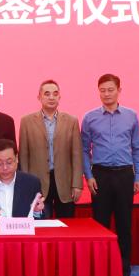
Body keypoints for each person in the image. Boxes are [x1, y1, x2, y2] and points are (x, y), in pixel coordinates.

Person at [81, 73, 139, 276]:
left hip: (125, 175)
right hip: (100, 176)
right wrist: (89, 176)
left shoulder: (131, 116)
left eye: (110, 90)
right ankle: (100, 272)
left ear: (119, 90)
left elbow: (137, 148)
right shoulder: (89, 118)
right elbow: (84, 150)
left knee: (125, 226)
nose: (106, 94)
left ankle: (124, 272)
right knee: (100, 226)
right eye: (102, 90)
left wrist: (138, 176)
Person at [17, 80, 82, 219]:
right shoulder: (27, 121)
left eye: (55, 94)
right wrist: (26, 184)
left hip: (65, 183)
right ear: (39, 97)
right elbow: (23, 156)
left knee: (66, 225)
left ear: (60, 97)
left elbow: (76, 155)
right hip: (37, 183)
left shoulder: (71, 121)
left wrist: (77, 184)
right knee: (41, 226)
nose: (51, 97)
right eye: (47, 94)